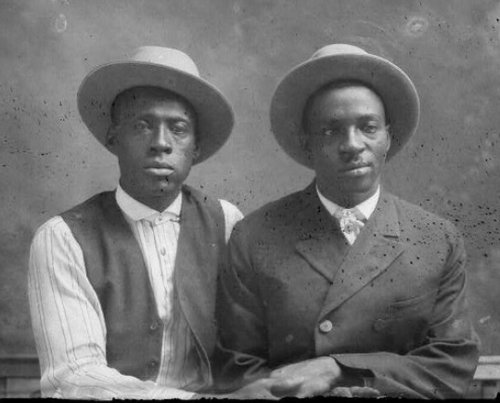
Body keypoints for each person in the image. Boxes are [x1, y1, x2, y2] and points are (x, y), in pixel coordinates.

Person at [215, 44, 480, 399]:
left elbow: (452, 365)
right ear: (306, 144)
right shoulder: (255, 236)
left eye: (368, 127)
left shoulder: (436, 239)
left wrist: (338, 367)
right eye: (330, 131)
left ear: (389, 137)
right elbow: (235, 367)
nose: (352, 144)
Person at [28, 46, 243, 399]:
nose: (161, 143)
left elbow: (250, 346)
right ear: (114, 138)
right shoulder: (62, 237)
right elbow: (76, 377)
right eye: (142, 125)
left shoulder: (226, 223)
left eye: (178, 128)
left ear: (197, 147)